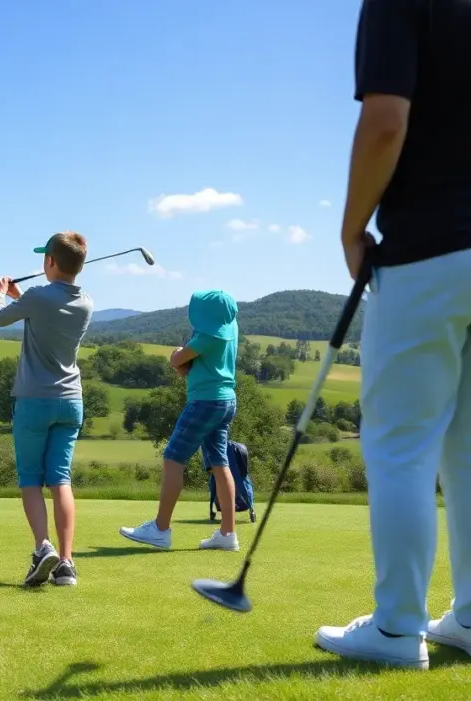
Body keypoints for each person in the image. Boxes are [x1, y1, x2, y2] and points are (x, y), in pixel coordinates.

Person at [314, 0, 471, 669]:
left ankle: (398, 629)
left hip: (429, 253)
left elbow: (385, 123)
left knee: (401, 446)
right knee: (468, 450)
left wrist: (352, 228)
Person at [0, 232, 94, 587]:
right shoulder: (86, 303)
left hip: (34, 400)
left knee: (31, 480)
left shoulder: (37, 296)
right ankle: (66, 563)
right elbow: (46, 310)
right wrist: (21, 298)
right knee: (60, 480)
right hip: (71, 402)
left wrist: (1, 292)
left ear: (49, 261)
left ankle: (42, 547)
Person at [118, 289, 240, 552]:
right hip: (226, 400)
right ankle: (227, 533)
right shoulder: (230, 326)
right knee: (220, 463)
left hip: (204, 401)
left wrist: (177, 354)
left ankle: (160, 529)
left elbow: (178, 359)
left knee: (173, 458)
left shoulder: (207, 335)